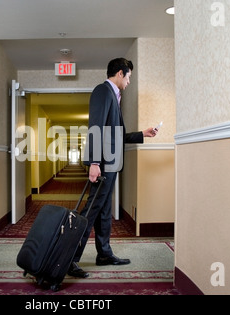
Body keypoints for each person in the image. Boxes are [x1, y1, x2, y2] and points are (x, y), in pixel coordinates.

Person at [68, 58, 158, 279]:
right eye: (128, 77)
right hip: (104, 164)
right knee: (90, 211)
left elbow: (115, 136)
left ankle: (104, 253)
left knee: (104, 211)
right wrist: (94, 163)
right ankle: (69, 258)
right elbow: (95, 127)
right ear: (120, 73)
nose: (128, 82)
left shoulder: (114, 97)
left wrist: (142, 134)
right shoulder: (102, 92)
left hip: (110, 164)